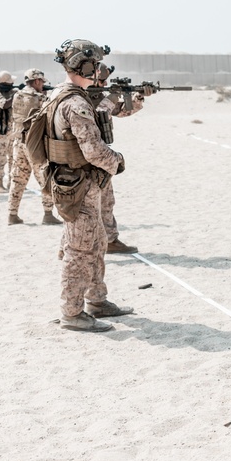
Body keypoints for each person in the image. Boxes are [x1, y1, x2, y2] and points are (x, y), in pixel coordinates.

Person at [46, 39, 132, 331]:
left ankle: (97, 299)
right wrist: (118, 160)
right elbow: (94, 151)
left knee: (96, 243)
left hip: (79, 182)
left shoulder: (60, 94)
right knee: (79, 250)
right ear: (83, 65)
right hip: (78, 185)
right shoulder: (76, 103)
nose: (98, 70)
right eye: (94, 64)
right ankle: (71, 312)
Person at [90, 62, 151, 254]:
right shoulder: (81, 96)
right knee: (86, 204)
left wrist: (137, 96)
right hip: (89, 156)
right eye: (102, 80)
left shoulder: (99, 96)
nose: (105, 83)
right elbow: (100, 109)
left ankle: (110, 240)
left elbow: (123, 111)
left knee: (105, 201)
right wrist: (115, 94)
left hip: (98, 155)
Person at [8, 68, 60, 226]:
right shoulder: (39, 98)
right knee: (45, 178)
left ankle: (12, 214)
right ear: (37, 81)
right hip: (34, 144)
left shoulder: (17, 94)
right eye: (41, 82)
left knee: (18, 179)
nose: (42, 86)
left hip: (18, 142)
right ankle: (48, 214)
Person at [0, 71, 18, 193]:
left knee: (13, 157)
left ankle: (12, 182)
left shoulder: (10, 92)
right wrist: (16, 95)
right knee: (1, 157)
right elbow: (4, 104)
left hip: (12, 129)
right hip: (0, 130)